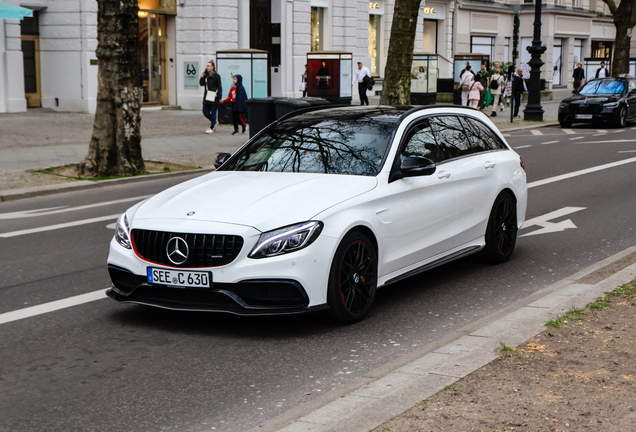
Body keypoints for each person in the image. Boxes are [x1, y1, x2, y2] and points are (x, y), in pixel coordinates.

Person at [199, 60, 222, 134]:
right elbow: (201, 84)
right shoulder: (206, 75)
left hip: (213, 95)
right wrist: (202, 76)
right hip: (207, 95)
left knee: (213, 111)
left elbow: (219, 87)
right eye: (207, 66)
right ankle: (214, 121)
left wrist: (219, 96)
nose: (207, 67)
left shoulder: (216, 76)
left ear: (213, 67)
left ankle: (212, 126)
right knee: (205, 111)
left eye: (209, 66)